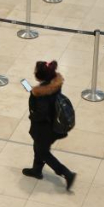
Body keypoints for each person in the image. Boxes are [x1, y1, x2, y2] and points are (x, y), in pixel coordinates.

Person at [23, 60, 76, 190]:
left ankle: (67, 173)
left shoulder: (40, 95)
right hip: (53, 126)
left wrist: (32, 114)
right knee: (39, 148)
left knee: (43, 152)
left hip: (44, 129)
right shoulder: (55, 85)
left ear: (39, 76)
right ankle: (36, 170)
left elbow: (41, 113)